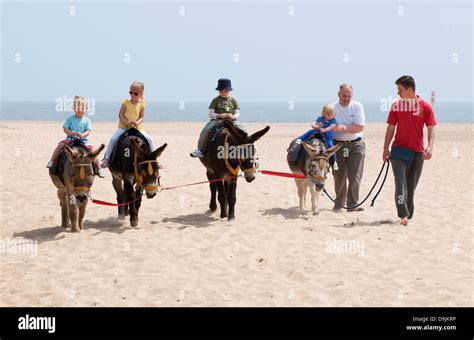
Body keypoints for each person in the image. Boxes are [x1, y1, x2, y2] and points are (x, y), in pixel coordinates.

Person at [383, 75, 436, 226]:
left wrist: (430, 147)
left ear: (409, 89)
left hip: (417, 152)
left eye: (400, 89)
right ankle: (403, 215)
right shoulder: (396, 106)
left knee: (411, 187)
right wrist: (385, 148)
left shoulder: (425, 107)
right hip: (398, 151)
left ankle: (408, 213)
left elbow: (431, 128)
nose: (398, 92)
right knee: (400, 183)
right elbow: (391, 128)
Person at [47, 96, 105, 178]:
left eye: (82, 108)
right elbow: (65, 129)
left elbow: (88, 131)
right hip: (70, 139)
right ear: (74, 108)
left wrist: (82, 135)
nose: (80, 110)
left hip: (83, 140)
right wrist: (70, 132)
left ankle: (98, 168)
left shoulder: (87, 120)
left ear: (86, 109)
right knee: (60, 146)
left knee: (92, 151)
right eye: (77, 108)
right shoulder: (70, 119)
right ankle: (52, 161)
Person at [101, 81, 154, 168]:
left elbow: (142, 117)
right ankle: (106, 159)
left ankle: (153, 159)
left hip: (137, 128)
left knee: (150, 139)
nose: (132, 95)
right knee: (113, 139)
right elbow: (120, 114)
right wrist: (126, 122)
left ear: (141, 94)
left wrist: (137, 123)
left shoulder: (141, 105)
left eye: (135, 93)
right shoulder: (126, 102)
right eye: (131, 92)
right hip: (124, 127)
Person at [331, 84, 366, 212]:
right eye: (344, 96)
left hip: (356, 144)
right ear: (338, 94)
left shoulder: (357, 106)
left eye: (349, 96)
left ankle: (352, 205)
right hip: (337, 145)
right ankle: (339, 203)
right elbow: (325, 123)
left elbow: (360, 127)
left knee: (355, 175)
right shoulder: (332, 107)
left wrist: (343, 128)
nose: (346, 99)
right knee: (339, 175)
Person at [190, 78, 245, 158]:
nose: (223, 92)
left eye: (225, 91)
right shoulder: (215, 100)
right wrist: (219, 115)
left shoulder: (233, 101)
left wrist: (233, 116)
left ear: (229, 91)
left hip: (231, 121)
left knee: (243, 130)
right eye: (221, 91)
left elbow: (237, 113)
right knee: (206, 130)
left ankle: (247, 148)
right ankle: (200, 149)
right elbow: (211, 114)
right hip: (218, 121)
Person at [292, 104, 339, 170]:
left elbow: (332, 126)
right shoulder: (321, 118)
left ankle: (334, 162)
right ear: (324, 113)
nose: (329, 116)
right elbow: (313, 122)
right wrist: (314, 126)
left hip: (327, 135)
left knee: (331, 147)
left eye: (331, 114)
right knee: (309, 132)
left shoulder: (333, 121)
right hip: (318, 131)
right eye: (327, 114)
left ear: (334, 114)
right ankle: (300, 139)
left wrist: (325, 129)